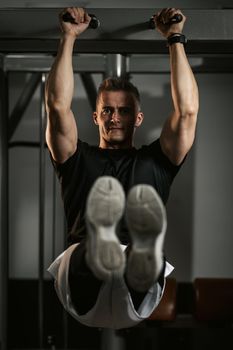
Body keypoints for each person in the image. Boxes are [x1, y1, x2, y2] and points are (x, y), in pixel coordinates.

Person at [46, 7, 199, 329]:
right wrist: (69, 36)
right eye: (108, 110)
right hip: (83, 290)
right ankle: (112, 246)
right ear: (96, 117)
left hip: (137, 294)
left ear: (137, 118)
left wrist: (175, 38)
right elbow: (57, 107)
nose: (115, 118)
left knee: (131, 257)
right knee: (92, 254)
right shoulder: (76, 160)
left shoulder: (157, 161)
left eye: (124, 111)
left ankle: (131, 250)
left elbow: (187, 112)